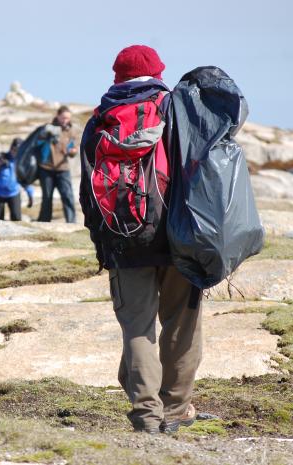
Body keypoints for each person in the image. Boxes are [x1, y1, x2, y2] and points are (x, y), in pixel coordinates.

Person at [79, 45, 203, 434]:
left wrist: (104, 243)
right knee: (182, 326)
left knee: (137, 329)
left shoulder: (100, 120)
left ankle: (147, 417)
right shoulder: (175, 109)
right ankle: (177, 410)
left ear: (117, 75)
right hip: (179, 238)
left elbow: (87, 190)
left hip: (124, 241)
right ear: (158, 72)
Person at [37, 105, 79, 223]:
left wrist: (73, 151)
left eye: (68, 118)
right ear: (58, 116)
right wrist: (45, 133)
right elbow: (38, 142)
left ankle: (71, 222)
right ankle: (44, 222)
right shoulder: (48, 128)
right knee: (47, 197)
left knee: (67, 196)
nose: (65, 120)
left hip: (63, 168)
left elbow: (74, 149)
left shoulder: (72, 131)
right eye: (63, 118)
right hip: (46, 168)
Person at [0, 137, 32, 221]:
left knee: (17, 219)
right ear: (11, 148)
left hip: (13, 193)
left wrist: (30, 194)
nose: (16, 152)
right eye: (14, 149)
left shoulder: (21, 161)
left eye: (19, 150)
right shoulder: (1, 157)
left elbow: (24, 179)